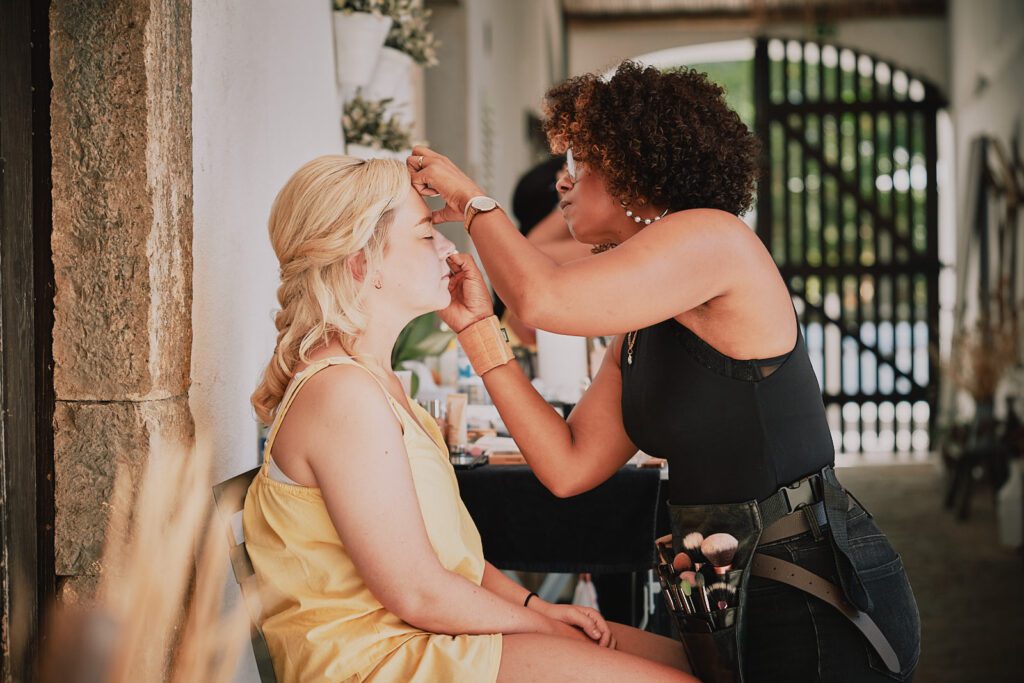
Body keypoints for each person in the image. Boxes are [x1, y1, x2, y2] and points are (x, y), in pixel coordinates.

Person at [407, 61, 921, 681]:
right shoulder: (644, 317)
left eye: (582, 161)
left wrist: (470, 198)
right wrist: (475, 331)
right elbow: (569, 466)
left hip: (811, 595)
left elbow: (541, 297)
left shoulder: (715, 241)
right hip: (718, 596)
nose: (563, 182)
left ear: (631, 166)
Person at [242, 155, 697, 682]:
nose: (449, 248)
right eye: (424, 235)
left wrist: (537, 607)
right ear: (361, 264)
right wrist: (542, 628)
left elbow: (452, 562)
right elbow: (418, 591)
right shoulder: (342, 394)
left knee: (691, 662)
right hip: (381, 662)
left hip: (424, 637)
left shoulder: (379, 386)